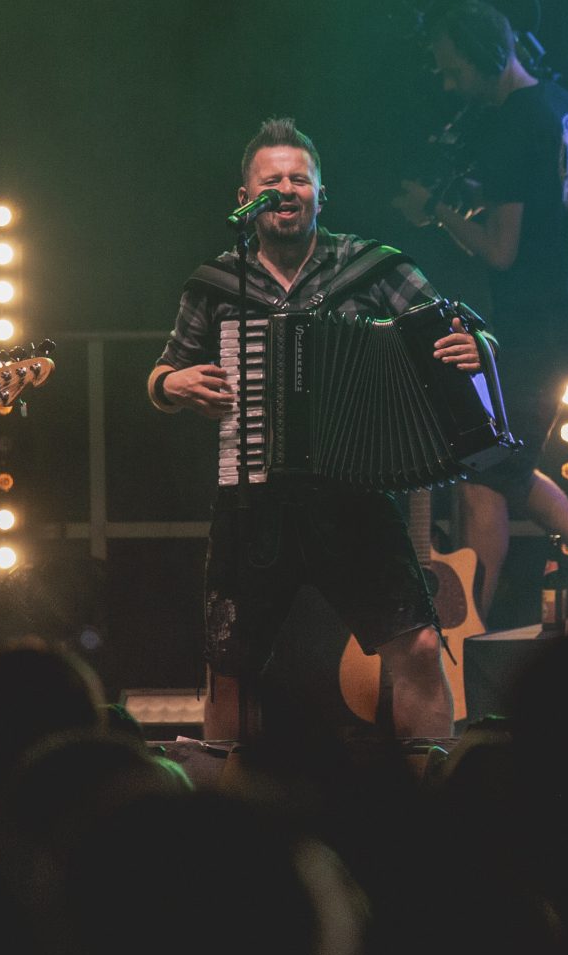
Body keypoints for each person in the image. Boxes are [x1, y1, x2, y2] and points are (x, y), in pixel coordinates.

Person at [151, 118, 479, 743]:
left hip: (354, 496)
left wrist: (476, 345)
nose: (286, 189)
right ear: (246, 197)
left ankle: (434, 790)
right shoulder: (217, 282)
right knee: (228, 670)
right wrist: (172, 385)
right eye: (271, 180)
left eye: (299, 179)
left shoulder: (371, 268)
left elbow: (457, 329)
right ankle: (227, 798)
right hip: (253, 501)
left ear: (321, 195)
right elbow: (164, 371)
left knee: (418, 649)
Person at [396, 0, 568, 614]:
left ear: (488, 57)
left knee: (485, 474)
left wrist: (436, 211)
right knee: (502, 464)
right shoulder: (565, 107)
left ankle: (471, 634)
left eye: (454, 71)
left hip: (538, 323)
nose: (450, 85)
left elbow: (501, 252)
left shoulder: (513, 126)